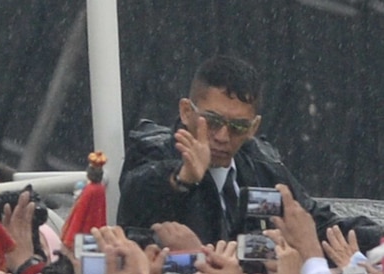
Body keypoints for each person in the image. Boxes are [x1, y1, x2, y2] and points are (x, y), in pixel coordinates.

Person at [117, 55, 382, 254]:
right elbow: (135, 199)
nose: (223, 136)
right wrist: (182, 178)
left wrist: (378, 239)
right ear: (187, 111)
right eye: (212, 121)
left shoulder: (260, 167)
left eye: (238, 127)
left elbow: (316, 224)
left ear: (253, 127)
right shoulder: (154, 151)